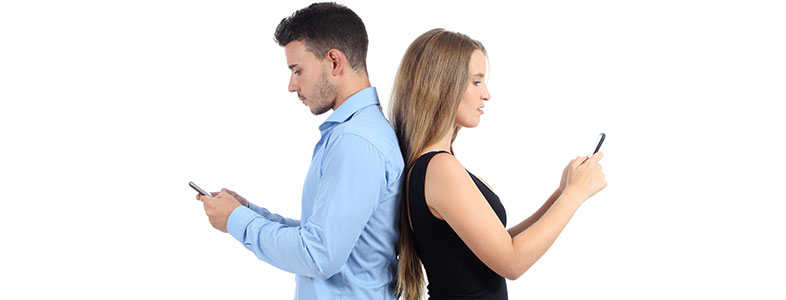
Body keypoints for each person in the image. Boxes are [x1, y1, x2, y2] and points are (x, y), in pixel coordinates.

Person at [196, 3, 405, 299]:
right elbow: (321, 235)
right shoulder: (357, 134)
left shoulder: (356, 142)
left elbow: (318, 255)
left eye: (297, 70)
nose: (292, 85)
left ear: (334, 61)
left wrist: (236, 221)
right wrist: (248, 212)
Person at [390, 29, 608, 300]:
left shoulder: (433, 166)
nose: (487, 94)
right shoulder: (438, 168)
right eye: (476, 82)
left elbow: (498, 245)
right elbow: (511, 261)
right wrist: (575, 195)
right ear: (443, 85)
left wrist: (561, 194)